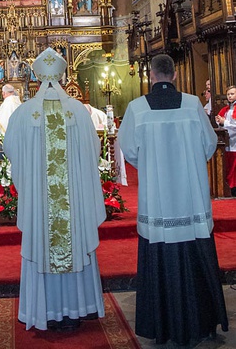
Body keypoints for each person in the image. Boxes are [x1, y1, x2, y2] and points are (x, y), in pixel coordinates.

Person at [118, 54, 228, 345]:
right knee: (196, 250)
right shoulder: (193, 105)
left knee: (159, 254)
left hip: (157, 201)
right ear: (175, 75)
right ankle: (203, 322)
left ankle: (161, 326)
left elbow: (129, 151)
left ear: (152, 76)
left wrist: (154, 165)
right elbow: (209, 144)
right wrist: (187, 163)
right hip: (191, 202)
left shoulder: (137, 108)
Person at [3, 47, 105, 331]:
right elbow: (93, 151)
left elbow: (9, 149)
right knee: (74, 240)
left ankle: (45, 311)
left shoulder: (24, 113)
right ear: (62, 78)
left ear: (37, 79)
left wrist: (31, 172)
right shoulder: (78, 111)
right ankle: (78, 308)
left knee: (42, 243)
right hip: (72, 204)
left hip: (40, 205)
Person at [215, 85, 236, 197]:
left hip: (235, 143)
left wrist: (224, 122)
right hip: (227, 144)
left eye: (232, 94)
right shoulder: (226, 109)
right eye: (228, 94)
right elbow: (221, 121)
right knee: (228, 168)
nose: (230, 96)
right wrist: (219, 121)